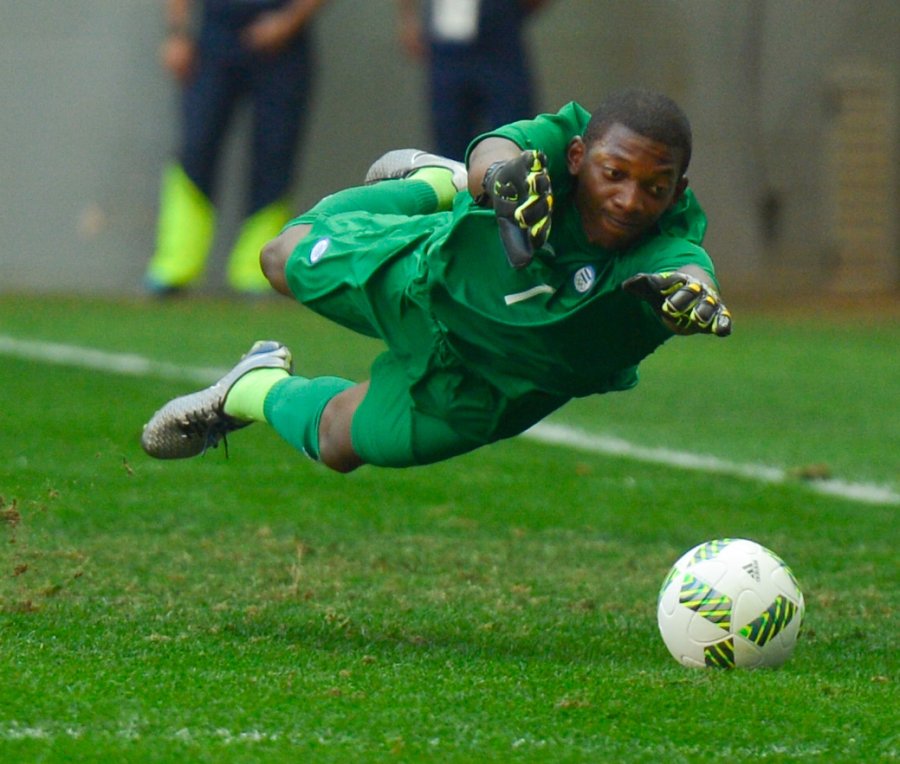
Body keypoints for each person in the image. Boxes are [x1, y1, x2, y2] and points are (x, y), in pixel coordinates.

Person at [141, 89, 732, 475]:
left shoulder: (664, 248)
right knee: (279, 259)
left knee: (338, 443)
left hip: (491, 390)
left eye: (654, 187)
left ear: (677, 191)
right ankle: (435, 185)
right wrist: (498, 177)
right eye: (614, 175)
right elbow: (500, 149)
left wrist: (692, 296)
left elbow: (687, 269)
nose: (630, 199)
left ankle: (251, 383)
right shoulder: (564, 140)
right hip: (432, 285)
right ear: (580, 157)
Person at [144, 0, 327, 296]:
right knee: (196, 146)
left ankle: (256, 269)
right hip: (215, 40)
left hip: (283, 45)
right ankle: (175, 265)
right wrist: (177, 33)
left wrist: (288, 21)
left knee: (274, 153)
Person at [397, 0, 549, 160]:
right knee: (449, 145)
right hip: (447, 43)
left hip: (500, 39)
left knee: (515, 138)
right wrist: (408, 19)